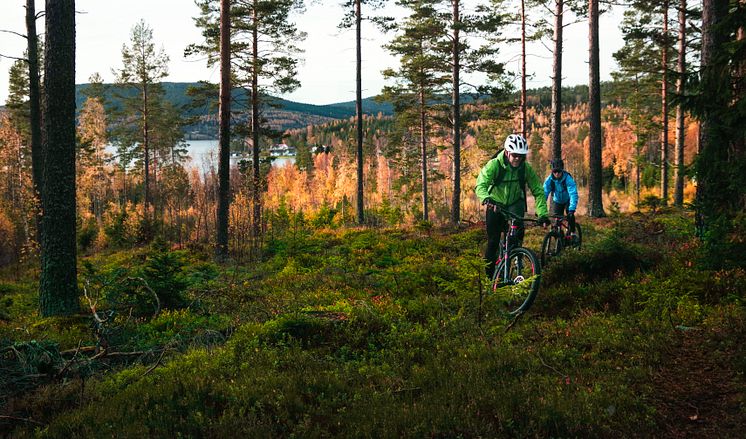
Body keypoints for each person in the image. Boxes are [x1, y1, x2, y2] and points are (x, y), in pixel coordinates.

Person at [475, 134, 549, 278]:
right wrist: (487, 199)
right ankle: (489, 279)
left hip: (515, 203)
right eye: (515, 155)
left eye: (521, 156)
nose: (517, 159)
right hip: (495, 203)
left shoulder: (525, 168)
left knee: (518, 232)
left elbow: (538, 191)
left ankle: (517, 256)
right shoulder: (495, 165)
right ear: (507, 152)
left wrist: (542, 214)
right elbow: (480, 185)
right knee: (493, 242)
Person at [543, 158, 579, 237]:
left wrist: (572, 209)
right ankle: (559, 241)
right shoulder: (549, 180)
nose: (557, 174)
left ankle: (573, 233)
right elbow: (544, 193)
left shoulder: (567, 178)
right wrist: (540, 209)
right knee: (556, 223)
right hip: (557, 201)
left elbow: (573, 193)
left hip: (567, 200)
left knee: (570, 216)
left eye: (559, 171)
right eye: (555, 171)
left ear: (562, 170)